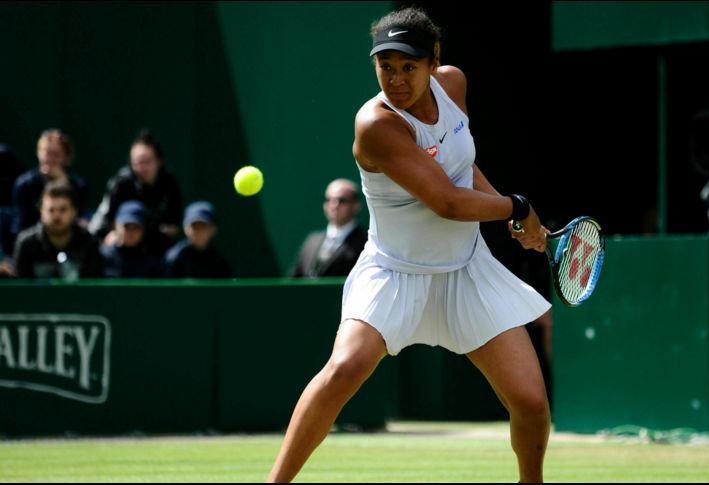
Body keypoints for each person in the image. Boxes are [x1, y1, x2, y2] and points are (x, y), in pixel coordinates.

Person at [268, 7, 552, 483]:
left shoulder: (454, 85)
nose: (395, 79)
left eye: (408, 67)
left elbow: (463, 169)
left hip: (467, 271)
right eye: (385, 66)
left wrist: (510, 211)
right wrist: (518, 209)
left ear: (433, 60)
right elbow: (446, 202)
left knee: (530, 403)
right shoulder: (376, 125)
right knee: (343, 370)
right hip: (394, 273)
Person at [88, 130, 182, 257]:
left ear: (159, 161)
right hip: (121, 245)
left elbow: (172, 228)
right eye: (138, 163)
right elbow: (103, 221)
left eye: (148, 161)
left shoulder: (170, 183)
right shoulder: (121, 183)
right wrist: (109, 235)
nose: (143, 168)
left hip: (155, 247)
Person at [12, 180, 102, 279]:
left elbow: (92, 287)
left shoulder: (89, 242)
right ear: (41, 212)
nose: (56, 216)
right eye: (51, 210)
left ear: (74, 212)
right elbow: (22, 288)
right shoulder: (25, 244)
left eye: (63, 210)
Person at [11, 129, 89, 241]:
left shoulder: (79, 185)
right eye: (47, 153)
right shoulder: (24, 185)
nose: (50, 159)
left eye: (56, 154)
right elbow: (21, 225)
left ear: (66, 157)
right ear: (39, 153)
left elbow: (78, 218)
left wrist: (64, 183)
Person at [289, 178, 367, 277]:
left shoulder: (367, 244)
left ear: (356, 205)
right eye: (328, 200)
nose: (334, 205)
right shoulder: (312, 240)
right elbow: (294, 278)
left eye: (341, 200)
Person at [164, 201, 231, 278]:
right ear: (185, 228)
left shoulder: (220, 263)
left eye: (203, 226)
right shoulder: (174, 258)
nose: (198, 231)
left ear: (213, 229)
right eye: (194, 226)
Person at [100, 200, 163, 278]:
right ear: (116, 225)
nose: (131, 232)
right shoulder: (101, 258)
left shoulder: (152, 264)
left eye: (136, 227)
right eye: (127, 227)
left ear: (143, 230)